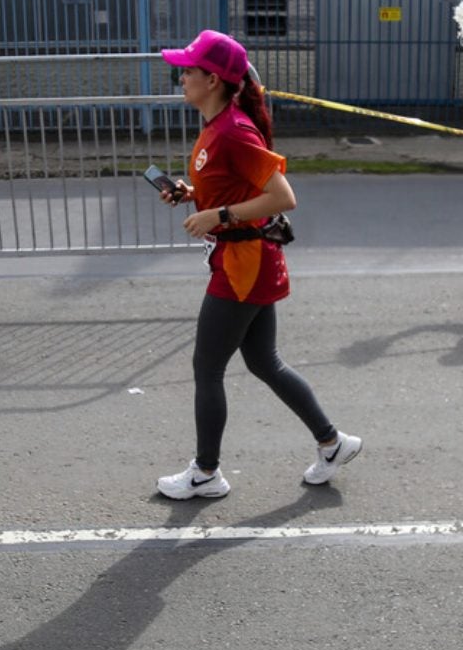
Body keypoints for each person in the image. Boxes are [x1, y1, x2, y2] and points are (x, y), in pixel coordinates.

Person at [154, 29, 361, 500]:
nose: (181, 76)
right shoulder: (216, 124)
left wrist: (217, 215)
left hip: (244, 262)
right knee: (264, 362)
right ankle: (332, 443)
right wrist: (192, 194)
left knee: (207, 368)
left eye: (188, 70)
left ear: (212, 79)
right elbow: (234, 185)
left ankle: (206, 473)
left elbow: (283, 196)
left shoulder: (234, 130)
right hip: (247, 259)